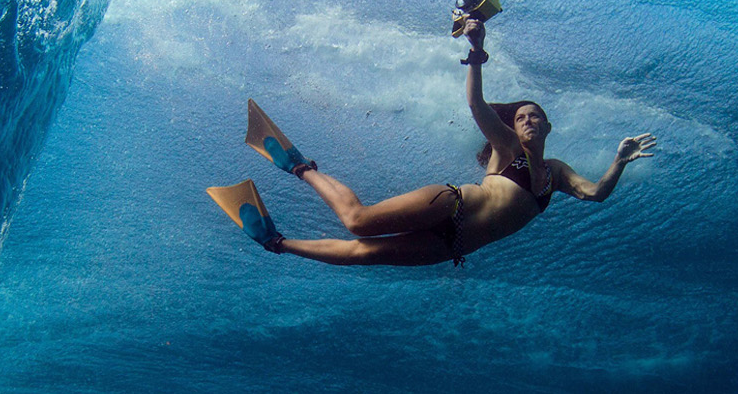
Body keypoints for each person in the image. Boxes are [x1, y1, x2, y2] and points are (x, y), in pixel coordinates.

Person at [252, 19, 655, 266]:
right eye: (520, 116)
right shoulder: (508, 148)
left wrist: (619, 160)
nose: (527, 120)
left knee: (365, 255)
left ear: (548, 127)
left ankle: (278, 242)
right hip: (453, 202)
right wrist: (477, 51)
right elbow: (476, 104)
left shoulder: (558, 173)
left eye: (535, 116)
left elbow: (597, 194)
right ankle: (298, 166)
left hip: (455, 244)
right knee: (358, 222)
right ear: (513, 127)